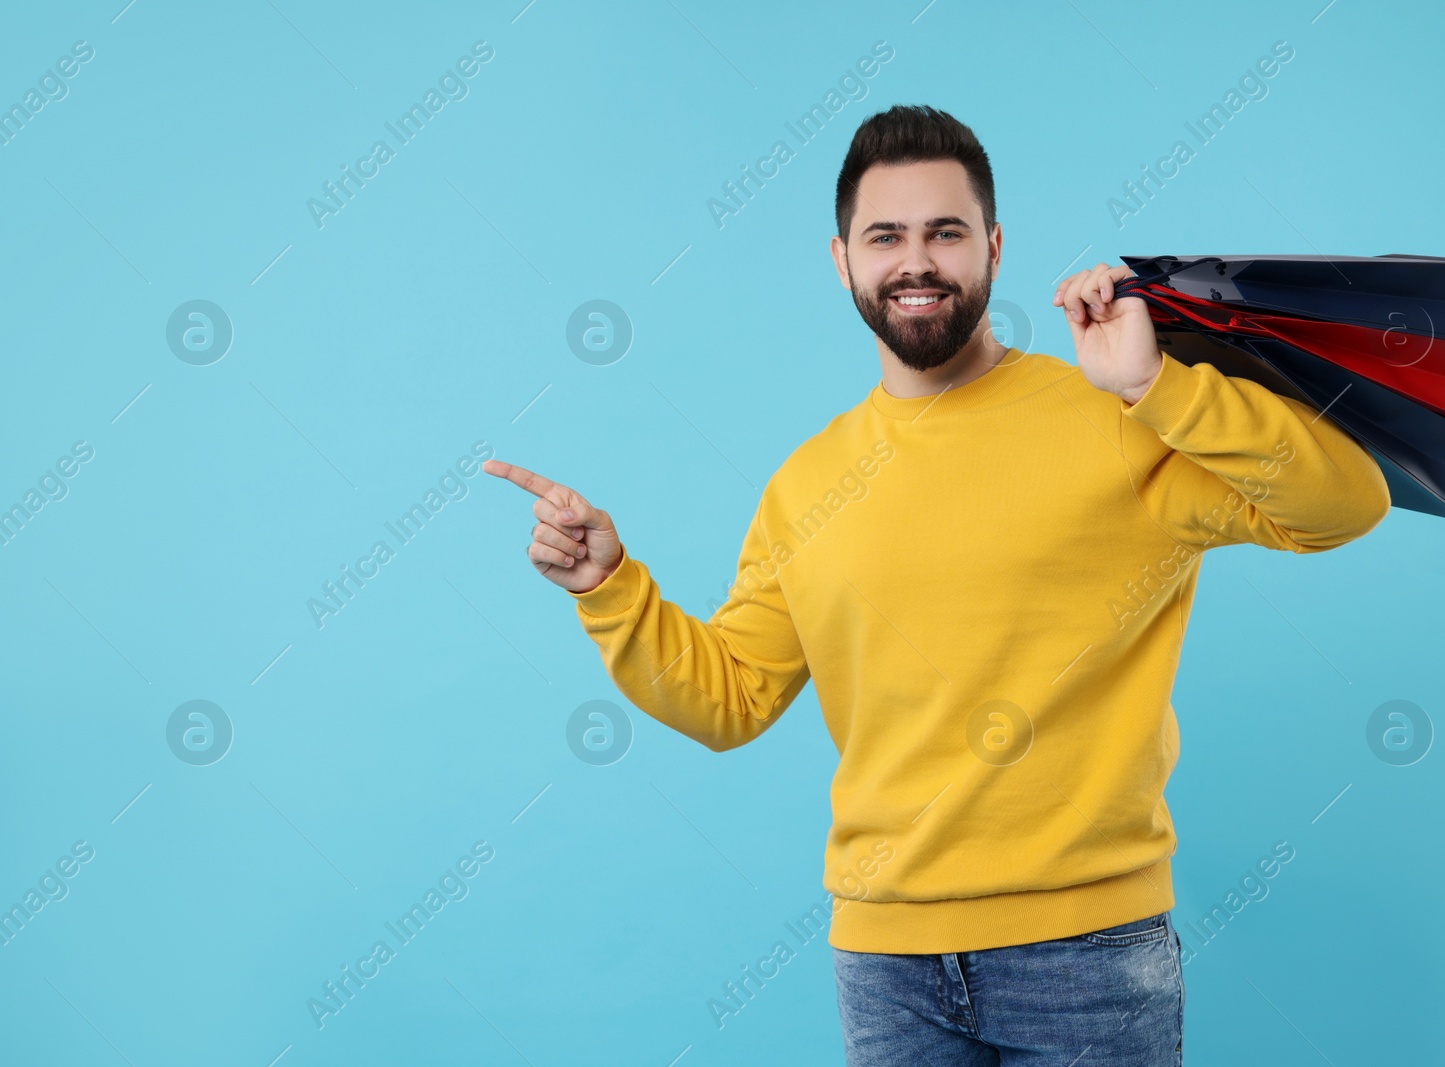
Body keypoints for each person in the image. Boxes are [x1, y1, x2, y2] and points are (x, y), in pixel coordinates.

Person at [485, 104, 1389, 1066]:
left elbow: (1344, 502)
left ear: (993, 249)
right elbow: (731, 697)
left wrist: (1155, 385)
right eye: (886, 237)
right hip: (887, 968)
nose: (916, 262)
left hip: (1089, 956)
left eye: (945, 233)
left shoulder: (1116, 414)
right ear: (843, 260)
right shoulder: (806, 484)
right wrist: (610, 587)